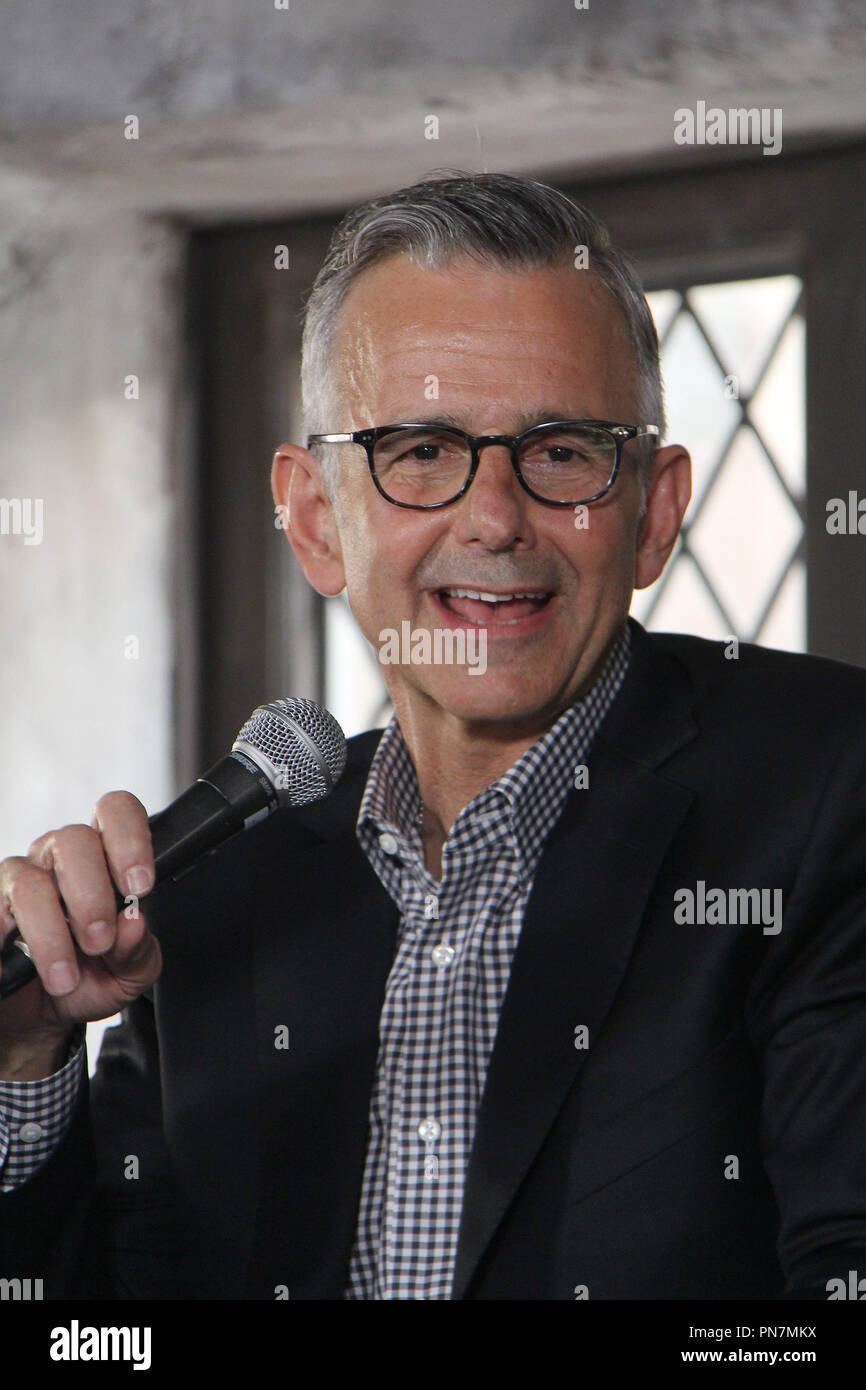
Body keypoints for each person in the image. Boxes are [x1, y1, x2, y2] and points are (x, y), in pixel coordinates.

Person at [1, 172, 864, 1300]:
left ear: (652, 513)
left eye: (559, 451)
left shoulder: (827, 790)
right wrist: (25, 1062)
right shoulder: (215, 881)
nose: (494, 517)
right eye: (418, 451)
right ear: (316, 520)